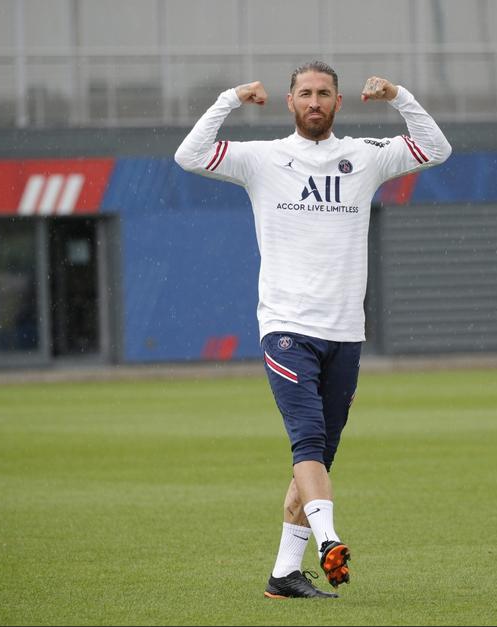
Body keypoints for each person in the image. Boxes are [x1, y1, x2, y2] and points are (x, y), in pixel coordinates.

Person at [175, 60, 451, 599]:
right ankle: (328, 541)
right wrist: (230, 97)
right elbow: (189, 155)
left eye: (324, 93)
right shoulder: (262, 159)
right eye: (305, 93)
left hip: (346, 331)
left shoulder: (365, 157)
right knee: (307, 439)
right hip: (285, 326)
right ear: (290, 101)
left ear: (339, 102)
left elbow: (436, 148)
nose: (315, 102)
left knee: (316, 460)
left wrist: (400, 96)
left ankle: (283, 574)